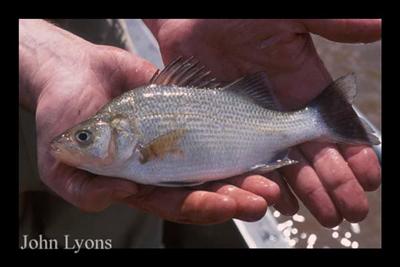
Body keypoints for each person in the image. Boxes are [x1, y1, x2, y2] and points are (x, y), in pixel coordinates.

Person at [19, 19, 381, 248]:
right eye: (83, 137)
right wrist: (42, 60)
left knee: (104, 230)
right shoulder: (123, 150)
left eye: (84, 137)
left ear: (120, 131)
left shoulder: (126, 157)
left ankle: (320, 118)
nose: (72, 142)